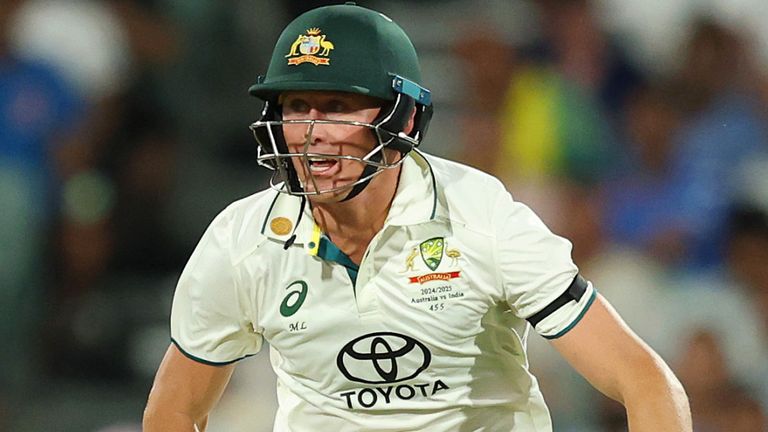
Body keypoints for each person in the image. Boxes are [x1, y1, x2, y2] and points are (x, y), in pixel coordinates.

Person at [143, 3, 691, 431]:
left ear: (402, 118)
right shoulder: (242, 240)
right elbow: (174, 411)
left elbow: (643, 381)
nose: (311, 133)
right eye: (294, 108)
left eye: (335, 107)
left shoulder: (482, 218)